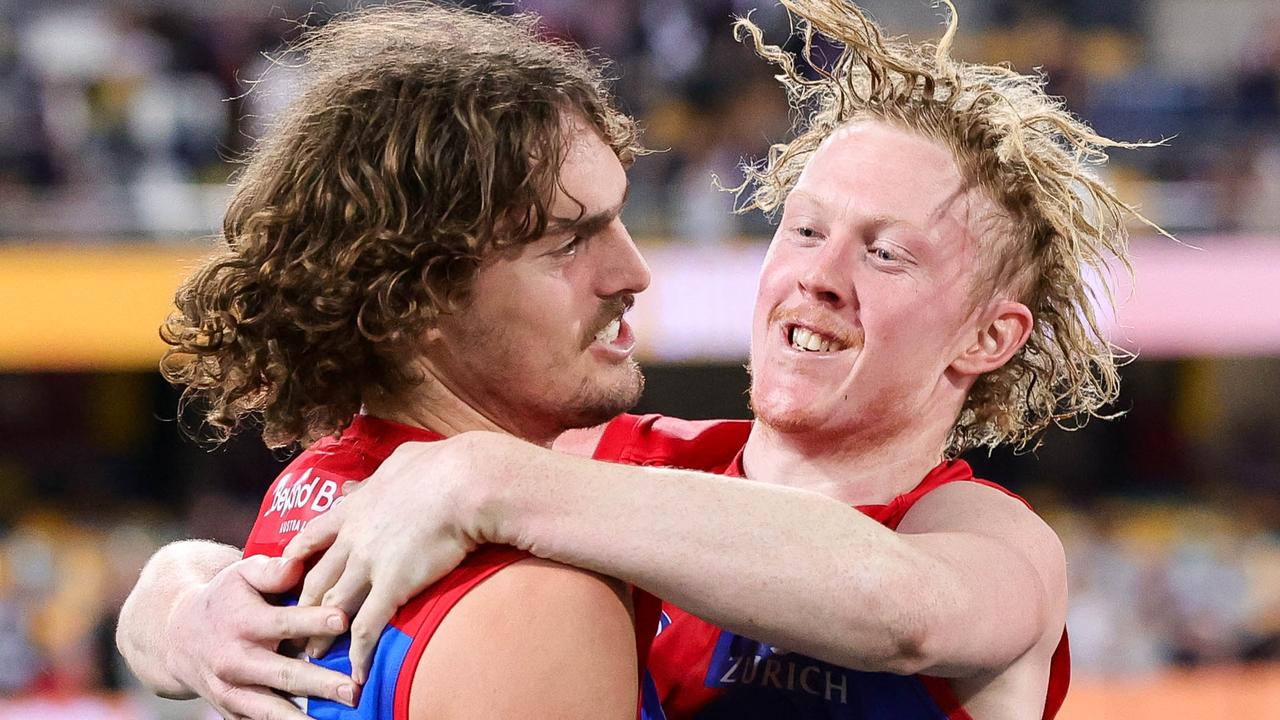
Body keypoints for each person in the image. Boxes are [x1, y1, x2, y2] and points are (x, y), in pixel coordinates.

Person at [118, 1, 1164, 718]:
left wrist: (485, 474)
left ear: (989, 336)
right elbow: (276, 533)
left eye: (884, 252)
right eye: (801, 231)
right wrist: (186, 600)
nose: (819, 276)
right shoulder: (601, 470)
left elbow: (904, 613)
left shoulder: (979, 535)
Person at [117, 5, 665, 720]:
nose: (634, 271)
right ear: (419, 297)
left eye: (618, 218)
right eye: (568, 242)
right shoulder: (535, 599)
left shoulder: (312, 488)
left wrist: (173, 594)